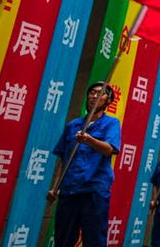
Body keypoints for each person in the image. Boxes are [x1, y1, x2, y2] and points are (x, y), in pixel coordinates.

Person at [48, 81, 121, 247]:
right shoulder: (73, 125)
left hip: (94, 191)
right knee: (63, 239)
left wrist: (89, 139)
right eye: (92, 92)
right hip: (69, 190)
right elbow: (63, 158)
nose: (94, 96)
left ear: (108, 101)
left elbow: (110, 149)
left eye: (100, 93)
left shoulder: (111, 124)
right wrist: (55, 186)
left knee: (94, 240)